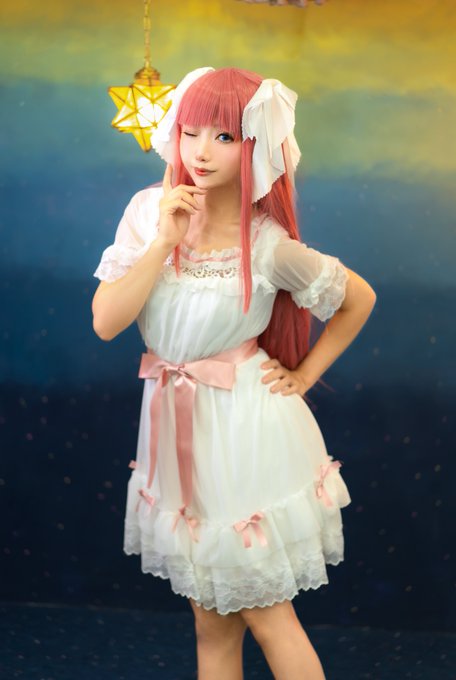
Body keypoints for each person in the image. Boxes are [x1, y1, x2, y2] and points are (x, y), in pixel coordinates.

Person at [92, 66, 376, 680]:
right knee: (210, 623)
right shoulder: (147, 211)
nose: (200, 151)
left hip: (244, 430)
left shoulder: (267, 244)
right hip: (175, 426)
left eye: (223, 136)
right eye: (191, 131)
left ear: (256, 146)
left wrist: (304, 376)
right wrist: (163, 242)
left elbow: (359, 298)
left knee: (269, 618)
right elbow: (107, 322)